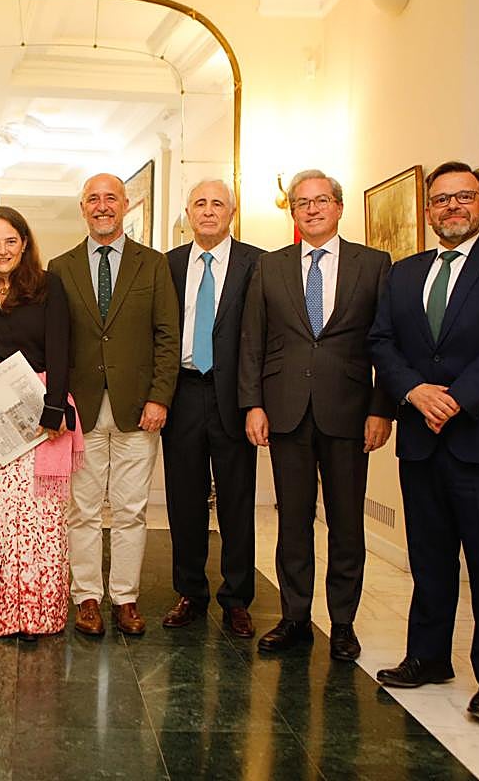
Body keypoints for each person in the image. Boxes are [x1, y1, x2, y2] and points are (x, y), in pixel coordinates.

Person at [368, 162, 479, 725]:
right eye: (441, 200)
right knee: (430, 558)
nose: (452, 207)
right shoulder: (403, 273)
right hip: (423, 442)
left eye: (463, 197)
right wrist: (416, 391)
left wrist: (457, 397)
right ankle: (427, 656)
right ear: (428, 211)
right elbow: (382, 341)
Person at [238, 168, 394, 661]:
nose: (311, 208)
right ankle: (295, 617)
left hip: (349, 413)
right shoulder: (271, 266)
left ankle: (343, 623)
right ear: (294, 211)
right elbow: (252, 341)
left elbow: (388, 343)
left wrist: (382, 409)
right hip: (285, 411)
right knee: (293, 521)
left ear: (339, 207)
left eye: (320, 200)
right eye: (301, 202)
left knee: (347, 522)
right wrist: (253, 404)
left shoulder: (374, 265)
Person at [48, 174, 179, 637]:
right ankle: (86, 597)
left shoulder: (153, 265)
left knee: (131, 509)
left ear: (126, 205)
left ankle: (125, 598)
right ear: (82, 207)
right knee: (80, 509)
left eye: (111, 198)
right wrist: (56, 403)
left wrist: (160, 397)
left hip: (138, 410)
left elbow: (168, 336)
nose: (102, 206)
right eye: (93, 199)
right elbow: (54, 343)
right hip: (79, 411)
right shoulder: (60, 268)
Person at [0, 206, 79, 640]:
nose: (2, 250)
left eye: (10, 241)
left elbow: (61, 349)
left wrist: (56, 407)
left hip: (38, 418)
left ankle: (37, 616)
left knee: (39, 519)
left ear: (24, 243)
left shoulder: (48, 288)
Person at [161, 180, 264, 638]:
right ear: (188, 212)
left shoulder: (257, 263)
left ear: (232, 212)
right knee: (184, 499)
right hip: (182, 393)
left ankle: (237, 598)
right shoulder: (170, 265)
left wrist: (255, 402)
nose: (208, 211)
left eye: (217, 203)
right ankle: (190, 592)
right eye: (199, 203)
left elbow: (264, 338)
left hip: (234, 397)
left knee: (237, 500)